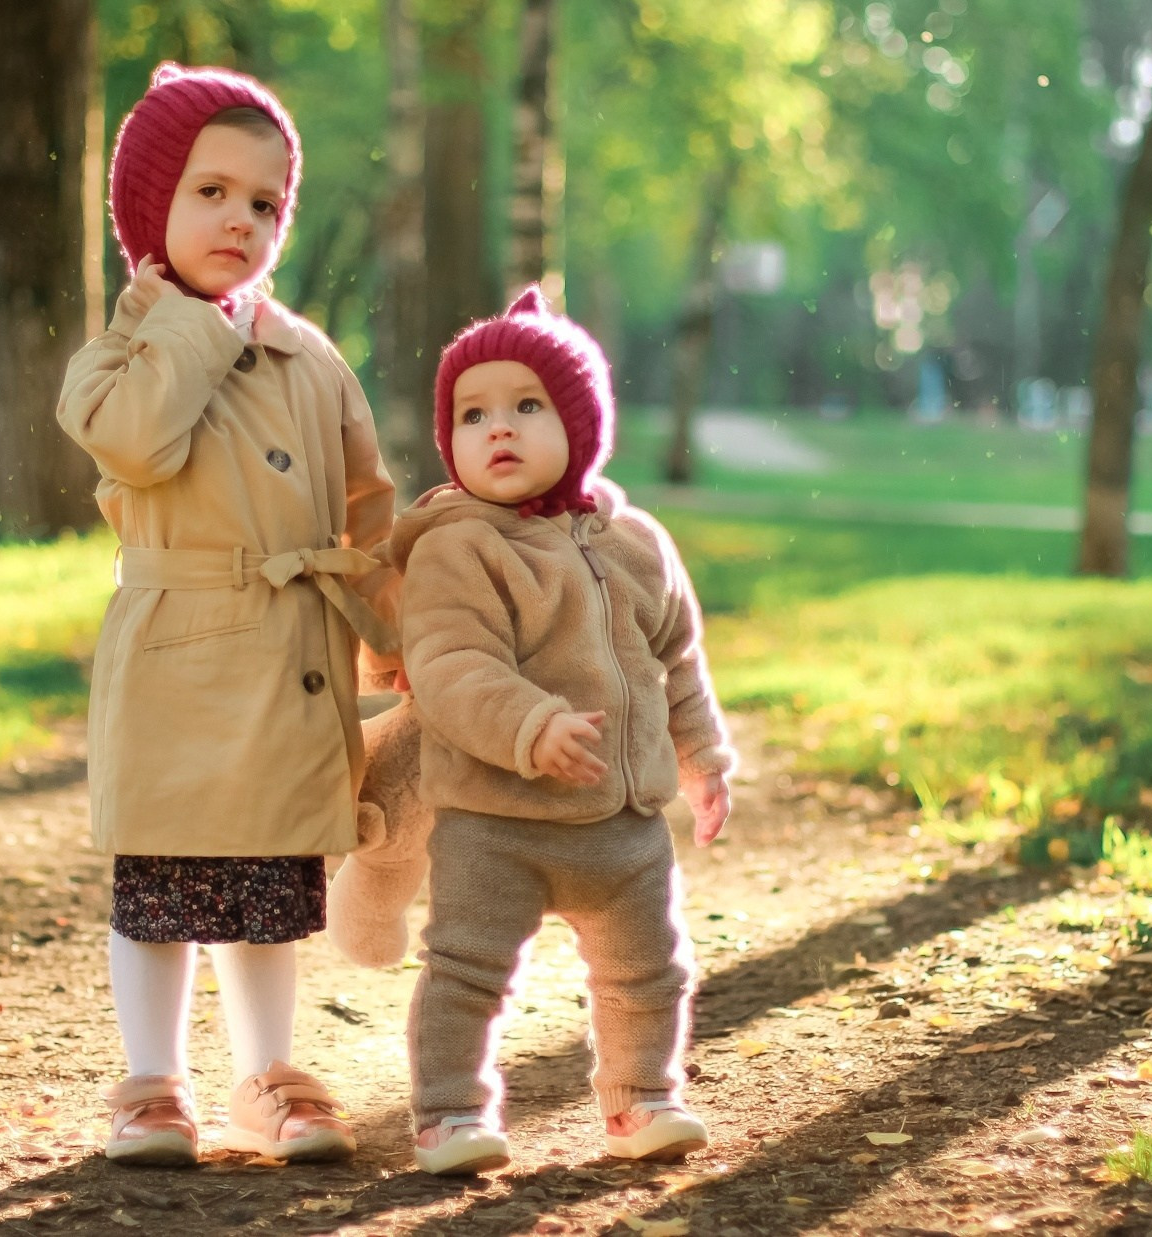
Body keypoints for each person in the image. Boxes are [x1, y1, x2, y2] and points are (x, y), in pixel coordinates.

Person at [56, 63, 399, 1167]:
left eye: (262, 203)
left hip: (291, 647)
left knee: (267, 885)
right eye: (209, 192)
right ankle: (152, 1082)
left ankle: (268, 1070)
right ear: (148, 207)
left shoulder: (309, 354)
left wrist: (391, 630)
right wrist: (195, 325)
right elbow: (138, 439)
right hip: (175, 654)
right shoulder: (119, 354)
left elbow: (364, 502)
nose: (239, 221)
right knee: (158, 881)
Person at [390, 286, 736, 1174]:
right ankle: (449, 1112)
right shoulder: (456, 547)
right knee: (467, 970)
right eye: (472, 414)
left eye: (526, 406)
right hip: (493, 822)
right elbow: (451, 663)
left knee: (648, 970)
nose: (496, 429)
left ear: (582, 425)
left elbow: (679, 662)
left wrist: (703, 759)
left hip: (621, 826)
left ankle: (642, 1097)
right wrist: (530, 724)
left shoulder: (637, 542)